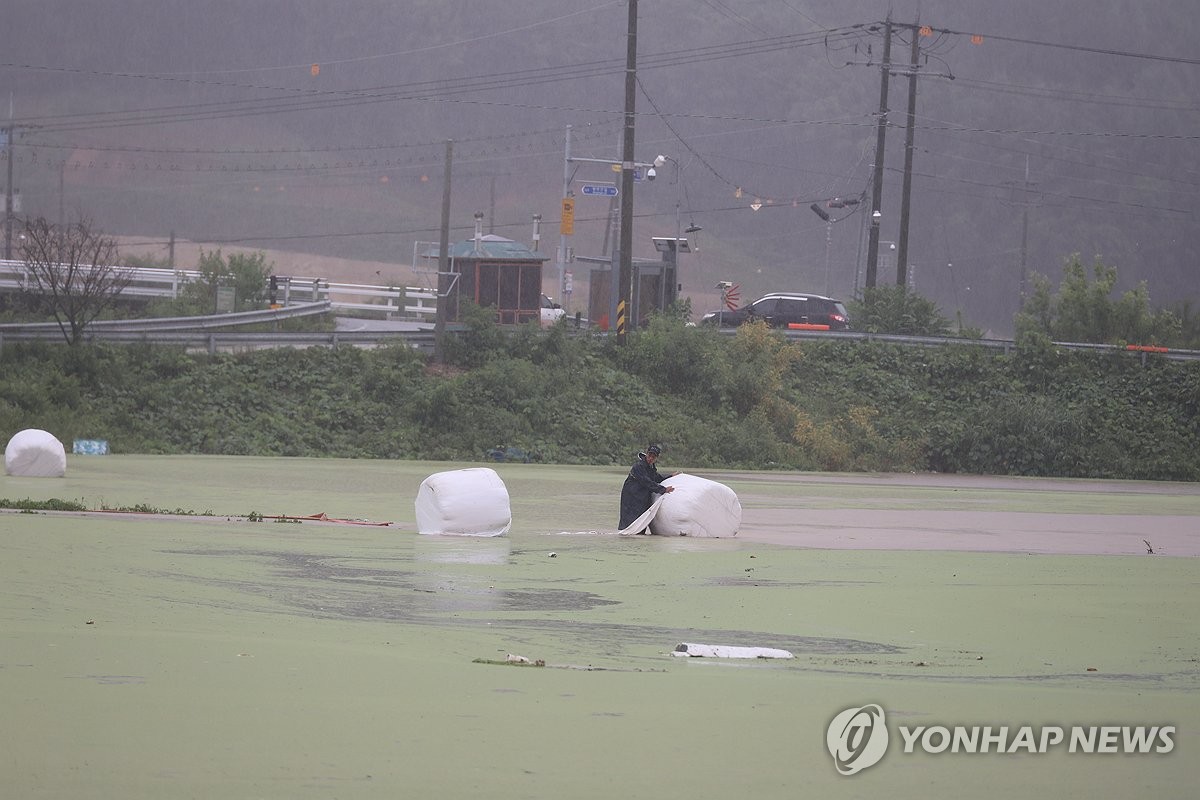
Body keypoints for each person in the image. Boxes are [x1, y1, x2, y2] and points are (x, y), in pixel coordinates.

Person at [618, 443, 675, 533]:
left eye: (653, 457)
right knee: (630, 522)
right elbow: (646, 482)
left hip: (641, 497)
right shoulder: (638, 466)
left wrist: (671, 476)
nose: (651, 458)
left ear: (656, 458)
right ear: (647, 454)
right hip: (631, 496)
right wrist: (663, 490)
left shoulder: (651, 468)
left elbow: (657, 478)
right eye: (650, 455)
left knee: (641, 522)